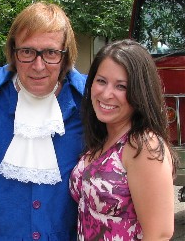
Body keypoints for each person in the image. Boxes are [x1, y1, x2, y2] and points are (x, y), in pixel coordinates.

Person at [0, 1, 87, 240]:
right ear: (13, 51)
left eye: (51, 53)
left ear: (65, 55)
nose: (38, 66)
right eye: (27, 52)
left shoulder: (89, 98)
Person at [69, 39, 179, 240]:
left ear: (140, 92)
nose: (106, 94)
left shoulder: (143, 145)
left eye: (121, 86)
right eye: (101, 81)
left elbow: (160, 234)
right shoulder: (102, 137)